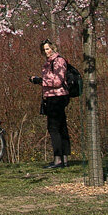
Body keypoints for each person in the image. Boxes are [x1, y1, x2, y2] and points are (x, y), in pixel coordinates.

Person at [29, 39, 72, 168]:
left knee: (54, 128)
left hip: (57, 97)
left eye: (48, 49)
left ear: (53, 48)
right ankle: (63, 158)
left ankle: (59, 159)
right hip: (52, 97)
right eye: (44, 50)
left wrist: (40, 81)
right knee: (60, 127)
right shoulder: (49, 63)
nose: (46, 52)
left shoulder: (58, 61)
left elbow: (58, 81)